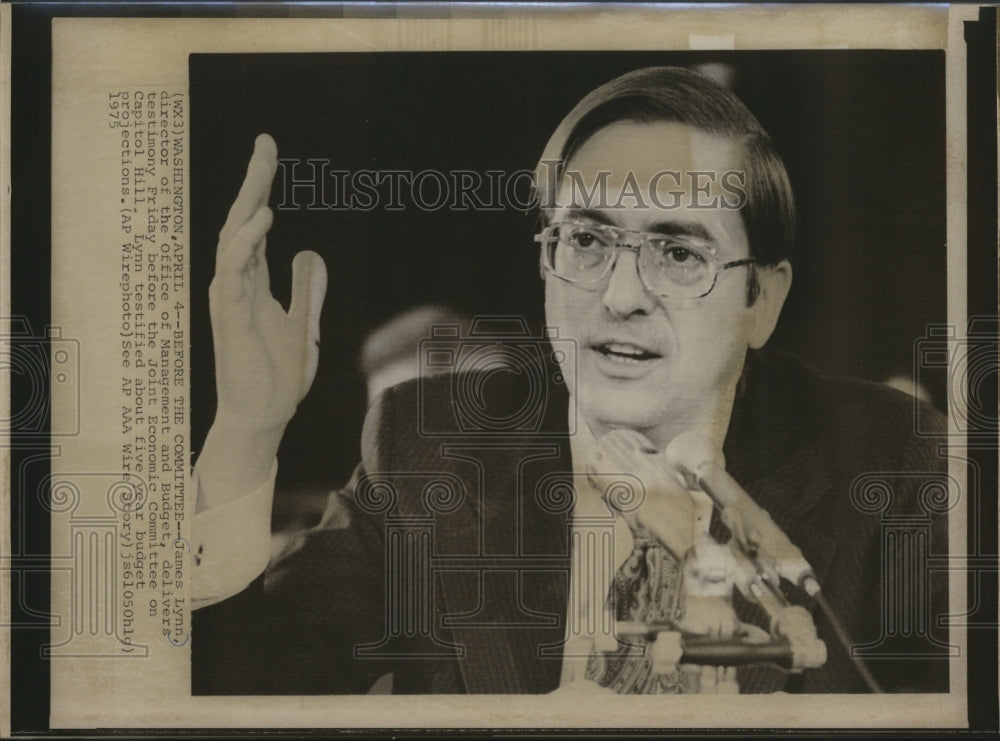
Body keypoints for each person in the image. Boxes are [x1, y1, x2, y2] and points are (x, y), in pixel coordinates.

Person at [191, 66, 949, 695]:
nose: (620, 295)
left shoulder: (885, 457)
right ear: (545, 263)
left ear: (762, 299)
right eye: (585, 239)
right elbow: (228, 686)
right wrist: (246, 432)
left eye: (678, 253)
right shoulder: (431, 447)